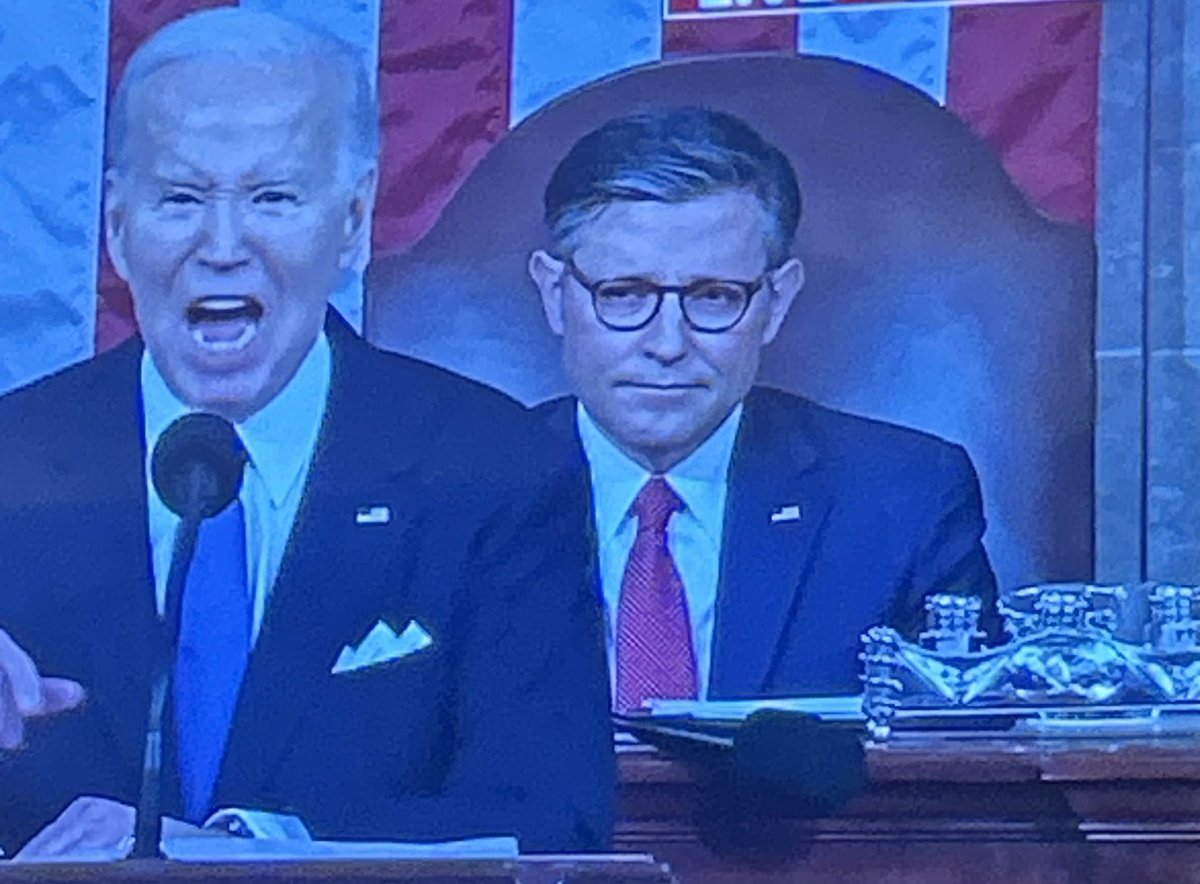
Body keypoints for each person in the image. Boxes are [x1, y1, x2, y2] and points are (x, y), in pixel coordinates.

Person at [0, 9, 612, 858]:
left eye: (273, 199)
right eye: (180, 198)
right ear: (116, 227)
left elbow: (550, 814)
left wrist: (239, 850)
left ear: (353, 220)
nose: (222, 245)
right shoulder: (9, 463)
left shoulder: (495, 473)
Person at [527, 106, 999, 713]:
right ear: (554, 295)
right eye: (624, 294)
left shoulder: (905, 499)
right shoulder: (462, 493)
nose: (668, 344)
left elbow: (962, 770)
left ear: (776, 303)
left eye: (715, 296)